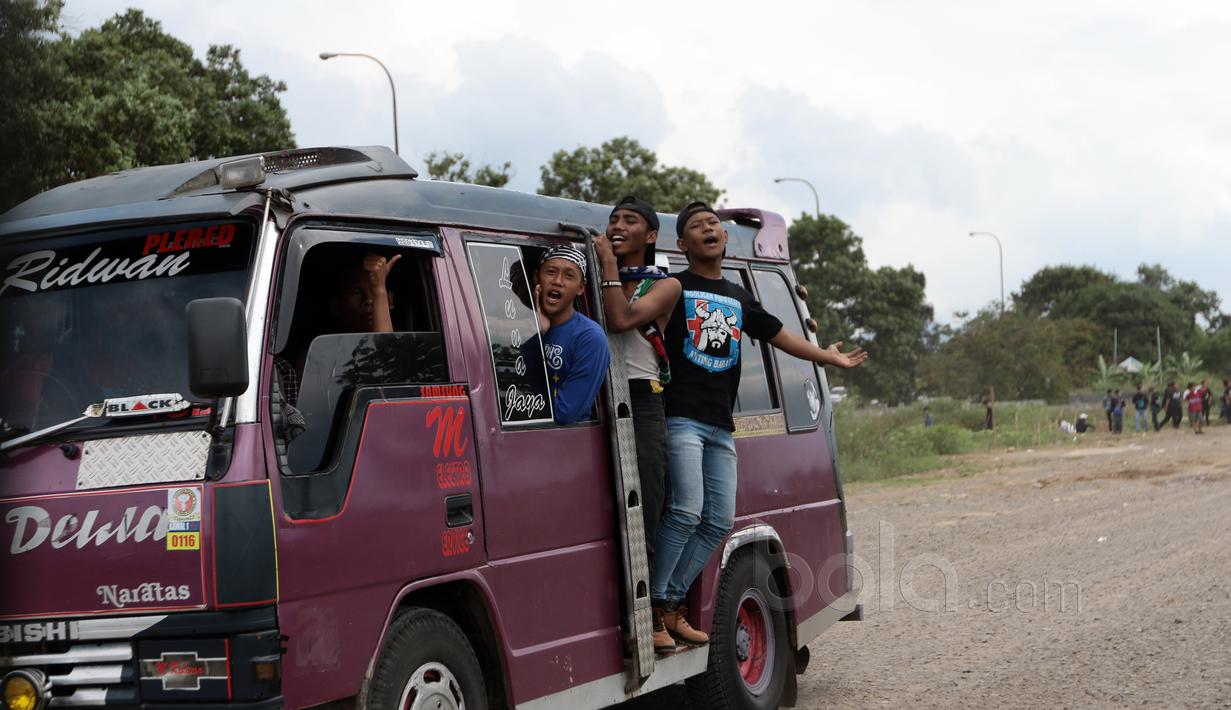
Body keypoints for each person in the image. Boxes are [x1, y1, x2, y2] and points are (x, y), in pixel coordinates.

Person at [650, 201, 867, 651]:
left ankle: (671, 602)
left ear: (724, 239)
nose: (709, 229)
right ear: (682, 244)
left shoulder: (738, 295)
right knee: (687, 510)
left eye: (713, 224)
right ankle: (654, 606)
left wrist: (825, 355)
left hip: (719, 425)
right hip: (681, 419)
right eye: (697, 226)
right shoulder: (673, 287)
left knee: (718, 521)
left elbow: (782, 336)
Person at [592, 195, 681, 588]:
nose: (618, 226)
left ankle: (653, 612)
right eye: (614, 219)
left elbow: (620, 318)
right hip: (599, 396)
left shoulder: (666, 285)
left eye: (630, 220)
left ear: (651, 235)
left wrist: (608, 266)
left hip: (643, 400)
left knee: (643, 508)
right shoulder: (591, 276)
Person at [275, 252, 400, 407]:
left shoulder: (411, 350)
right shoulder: (317, 357)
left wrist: (380, 290)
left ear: (390, 300)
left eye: (374, 291)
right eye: (356, 292)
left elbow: (388, 376)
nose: (368, 300)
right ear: (336, 306)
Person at [528, 245, 611, 425]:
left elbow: (565, 413)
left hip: (565, 443)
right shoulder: (517, 327)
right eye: (551, 272)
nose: (558, 281)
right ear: (537, 277)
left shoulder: (589, 337)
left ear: (580, 288)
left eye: (569, 275)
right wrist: (533, 331)